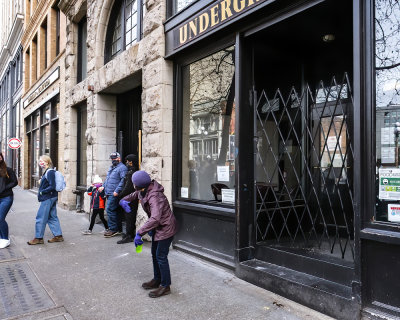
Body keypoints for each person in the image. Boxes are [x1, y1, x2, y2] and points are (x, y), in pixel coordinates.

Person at [120, 170, 178, 298]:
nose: (133, 186)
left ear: (137, 185)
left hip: (165, 228)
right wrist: (124, 200)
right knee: (154, 254)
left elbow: (156, 218)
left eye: (133, 183)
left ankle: (165, 285)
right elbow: (135, 195)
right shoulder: (143, 190)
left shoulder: (154, 196)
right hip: (158, 228)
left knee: (161, 256)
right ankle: (157, 279)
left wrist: (139, 233)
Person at [28, 155, 64, 245]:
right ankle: (58, 236)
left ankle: (38, 238)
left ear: (47, 162)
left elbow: (52, 186)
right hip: (51, 197)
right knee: (52, 216)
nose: (40, 163)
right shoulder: (47, 172)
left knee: (41, 217)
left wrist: (42, 192)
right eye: (39, 161)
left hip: (48, 197)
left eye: (42, 161)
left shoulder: (50, 172)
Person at [99, 152, 127, 238]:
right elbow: (107, 179)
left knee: (109, 210)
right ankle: (117, 229)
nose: (113, 160)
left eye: (114, 158)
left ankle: (113, 229)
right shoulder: (112, 168)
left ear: (119, 158)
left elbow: (123, 180)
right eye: (112, 158)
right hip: (108, 192)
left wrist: (117, 191)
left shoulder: (122, 168)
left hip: (114, 193)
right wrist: (103, 186)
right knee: (115, 210)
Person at [116, 154, 139, 244]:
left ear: (131, 162)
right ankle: (129, 234)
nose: (126, 163)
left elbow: (128, 187)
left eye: (127, 161)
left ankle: (129, 235)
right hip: (132, 197)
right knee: (130, 216)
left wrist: (120, 195)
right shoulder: (133, 172)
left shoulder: (131, 173)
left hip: (130, 198)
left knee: (129, 217)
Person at [0, 153, 18, 249]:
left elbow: (15, 182)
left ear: (2, 157)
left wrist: (4, 188)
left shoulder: (8, 169)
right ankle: (1, 238)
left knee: (0, 218)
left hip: (6, 197)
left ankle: (6, 239)